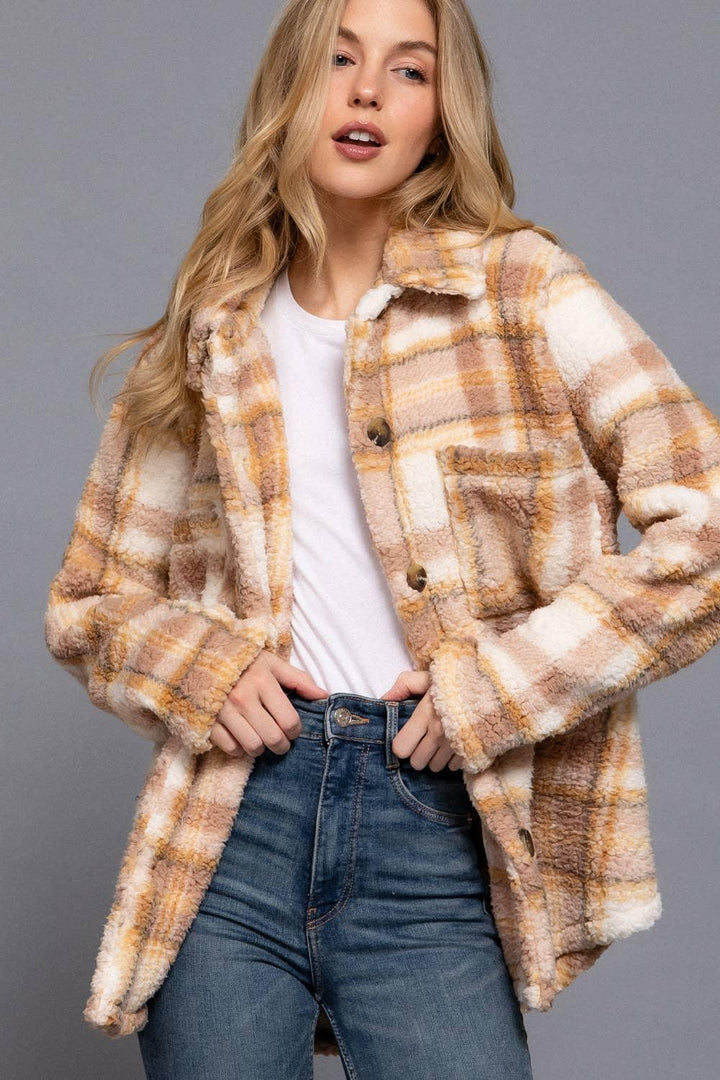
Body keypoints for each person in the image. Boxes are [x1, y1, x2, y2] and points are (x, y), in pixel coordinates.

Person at [43, 0, 720, 1078]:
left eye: (410, 70)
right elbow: (91, 600)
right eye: (339, 59)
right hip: (232, 830)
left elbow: (706, 523)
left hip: (433, 828)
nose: (367, 90)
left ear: (442, 115)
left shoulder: (521, 290)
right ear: (291, 89)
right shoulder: (215, 324)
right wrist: (202, 668)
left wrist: (496, 688)